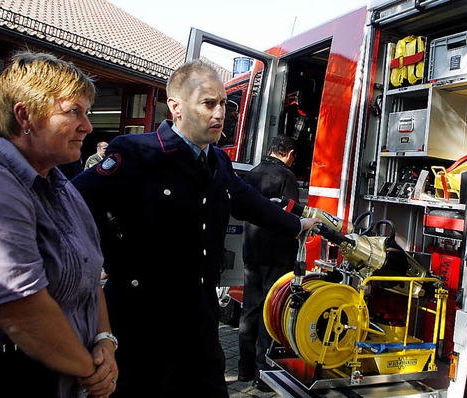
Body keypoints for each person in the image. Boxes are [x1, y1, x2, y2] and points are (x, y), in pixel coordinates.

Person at [71, 59, 319, 398]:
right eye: (208, 103)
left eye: (223, 104)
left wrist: (298, 224)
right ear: (176, 107)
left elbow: (248, 201)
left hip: (200, 320)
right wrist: (104, 255)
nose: (220, 114)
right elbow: (74, 203)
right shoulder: (136, 153)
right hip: (142, 321)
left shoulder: (217, 161)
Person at [0, 51, 117, 398]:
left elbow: (90, 274)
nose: (86, 126)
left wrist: (105, 341)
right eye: (73, 112)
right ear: (25, 115)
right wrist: (90, 371)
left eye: (87, 113)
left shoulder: (61, 187)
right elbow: (21, 311)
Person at [237, 134, 299, 391]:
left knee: (250, 309)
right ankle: (263, 374)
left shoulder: (253, 172)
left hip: (252, 252)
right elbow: (292, 212)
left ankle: (243, 369)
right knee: (270, 312)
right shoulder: (286, 177)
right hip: (277, 254)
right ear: (288, 153)